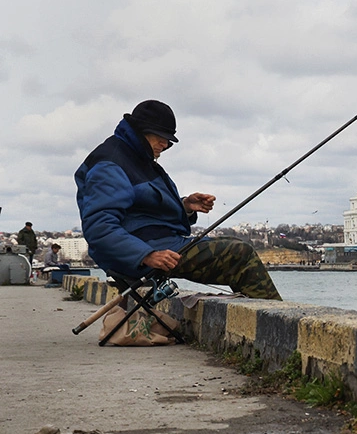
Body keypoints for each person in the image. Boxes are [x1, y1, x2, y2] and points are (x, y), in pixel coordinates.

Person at [74, 100, 281, 299]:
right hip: (144, 253)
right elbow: (99, 228)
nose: (165, 145)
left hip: (159, 244)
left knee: (235, 244)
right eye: (160, 137)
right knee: (239, 254)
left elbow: (141, 210)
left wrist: (185, 206)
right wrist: (146, 255)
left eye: (169, 140)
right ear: (141, 130)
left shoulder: (136, 158)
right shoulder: (111, 164)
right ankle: (276, 327)